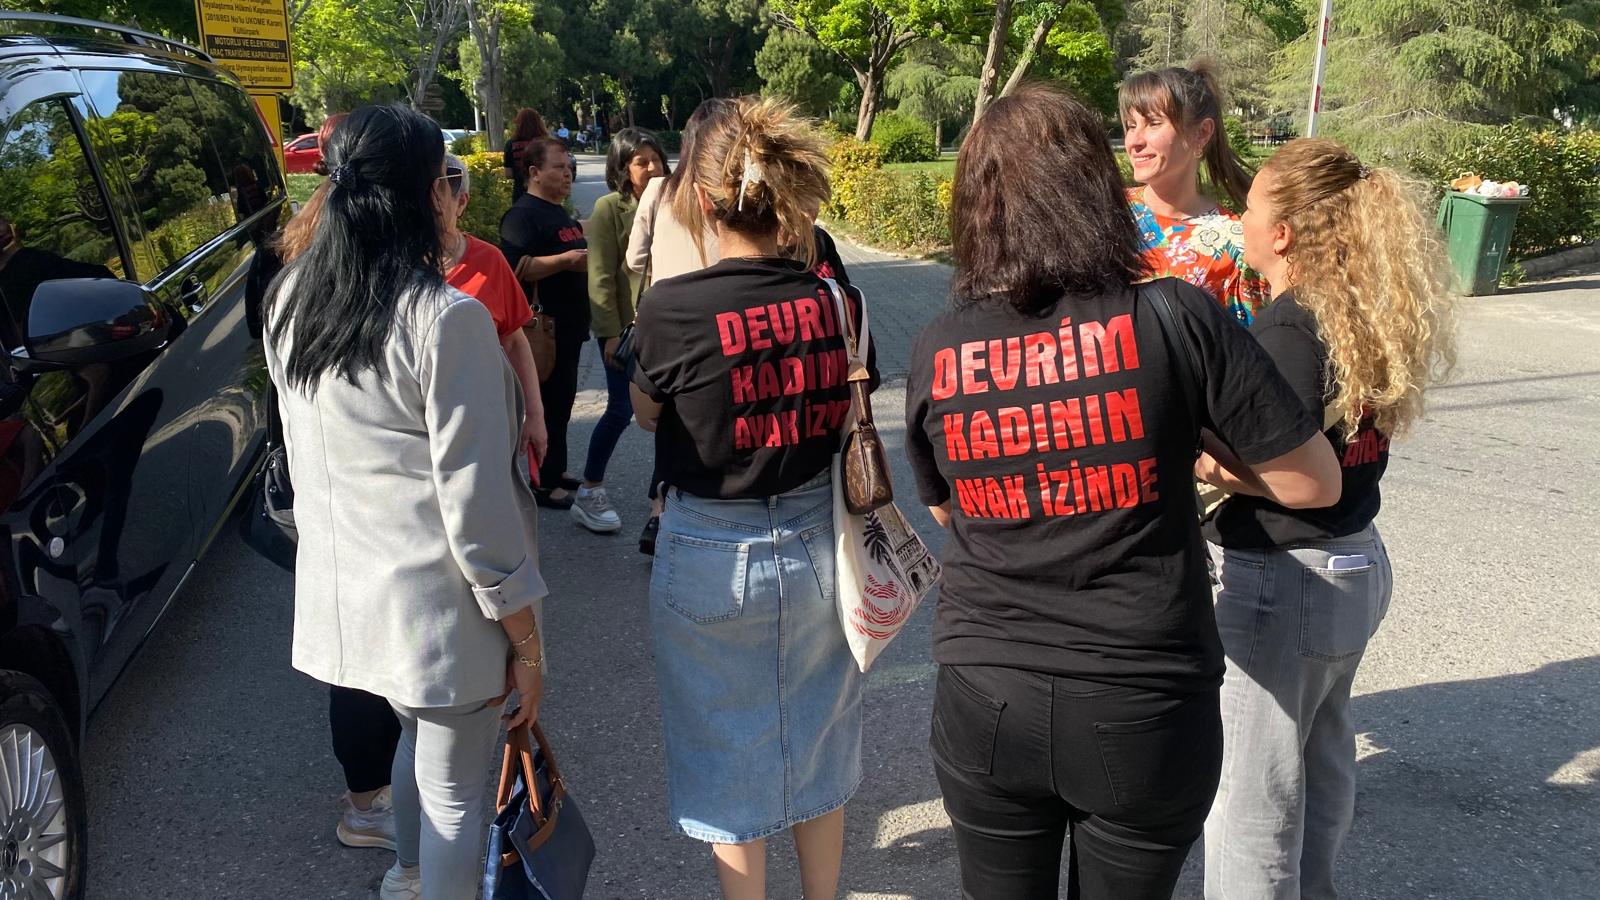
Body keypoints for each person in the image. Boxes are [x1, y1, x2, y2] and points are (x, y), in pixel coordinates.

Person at [902, 83, 1344, 900]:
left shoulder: (938, 344)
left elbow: (946, 506)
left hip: (986, 687)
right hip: (1143, 693)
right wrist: (1196, 461)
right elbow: (1313, 481)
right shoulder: (1176, 317)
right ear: (1095, 188)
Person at [264, 104, 547, 900]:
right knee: (455, 793)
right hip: (440, 612)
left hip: (348, 598)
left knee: (417, 742)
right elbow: (477, 510)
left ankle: (407, 877)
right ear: (431, 195)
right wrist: (526, 643)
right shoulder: (445, 319)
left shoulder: (288, 301)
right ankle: (417, 879)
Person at [628, 95, 875, 900]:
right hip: (818, 543)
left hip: (707, 547)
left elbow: (644, 411)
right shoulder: (835, 300)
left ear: (701, 200)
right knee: (819, 740)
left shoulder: (671, 308)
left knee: (724, 754)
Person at [1199, 139, 1455, 900]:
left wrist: (1200, 463)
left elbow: (1295, 476)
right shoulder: (1354, 313)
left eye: (1250, 208)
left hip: (1285, 579)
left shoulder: (1288, 329)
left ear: (1282, 233)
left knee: (1250, 796)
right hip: (1351, 563)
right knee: (1319, 760)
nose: (1240, 221)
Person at [624, 97, 733, 553]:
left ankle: (659, 512)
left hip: (667, 320)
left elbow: (634, 259)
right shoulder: (726, 192)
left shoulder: (658, 190)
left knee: (668, 417)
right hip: (720, 316)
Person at [1121, 64, 1269, 325]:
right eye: (1131, 126)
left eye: (1153, 124)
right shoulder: (1106, 212)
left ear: (1201, 133)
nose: (1134, 141)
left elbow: (1246, 345)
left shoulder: (1234, 244)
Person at [577, 128, 669, 534]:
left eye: (656, 159)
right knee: (620, 409)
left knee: (671, 415)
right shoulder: (608, 209)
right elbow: (599, 276)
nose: (652, 167)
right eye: (640, 161)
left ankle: (661, 501)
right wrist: (610, 333)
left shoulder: (676, 205)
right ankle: (590, 488)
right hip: (625, 329)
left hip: (668, 327)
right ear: (622, 168)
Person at [440, 153, 548, 462]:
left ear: (461, 203)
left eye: (437, 198)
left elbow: (515, 342)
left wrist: (534, 415)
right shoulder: (392, 264)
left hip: (482, 419)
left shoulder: (489, 260)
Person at [500, 136, 589, 508]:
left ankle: (556, 469)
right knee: (546, 404)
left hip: (569, 325)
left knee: (562, 402)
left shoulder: (558, 212)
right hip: (543, 328)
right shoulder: (522, 216)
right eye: (559, 167)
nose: (567, 174)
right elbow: (515, 267)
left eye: (569, 167)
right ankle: (542, 482)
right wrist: (566, 260)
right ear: (534, 172)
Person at [504, 108, 549, 198]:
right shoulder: (546, 143)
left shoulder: (511, 144)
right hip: (543, 191)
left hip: (520, 192)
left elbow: (508, 173)